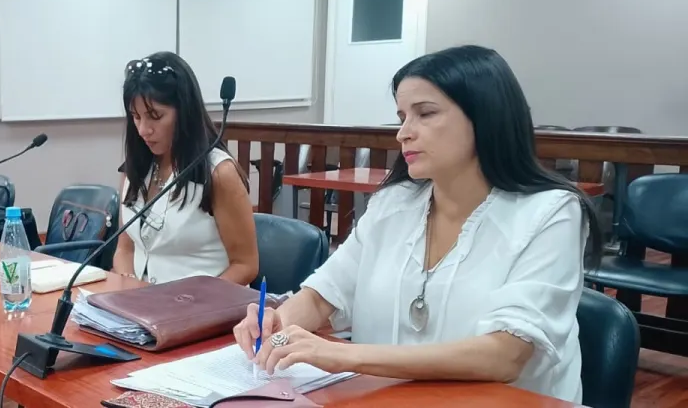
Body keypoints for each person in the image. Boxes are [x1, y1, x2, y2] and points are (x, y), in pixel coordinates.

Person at [233, 45, 601, 404]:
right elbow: (322, 296)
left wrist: (344, 355)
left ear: (485, 117)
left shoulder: (551, 213)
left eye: (425, 114)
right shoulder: (394, 203)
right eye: (402, 117)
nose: (404, 132)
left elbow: (505, 355)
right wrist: (277, 323)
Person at [112, 51, 259, 286]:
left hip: (202, 304)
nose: (143, 130)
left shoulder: (219, 173)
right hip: (141, 302)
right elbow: (124, 250)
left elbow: (245, 265)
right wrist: (129, 287)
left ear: (184, 112)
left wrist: (190, 301)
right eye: (136, 117)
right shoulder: (136, 167)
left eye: (155, 116)